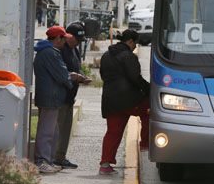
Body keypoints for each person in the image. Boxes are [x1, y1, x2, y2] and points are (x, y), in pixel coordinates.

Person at [33, 26, 84, 174]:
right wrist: (74, 77)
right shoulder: (50, 53)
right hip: (50, 97)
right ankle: (41, 161)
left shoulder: (49, 52)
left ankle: (47, 160)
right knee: (46, 131)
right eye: (63, 38)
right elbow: (62, 75)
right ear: (57, 38)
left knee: (52, 131)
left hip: (52, 97)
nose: (64, 41)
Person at [99, 29, 150, 175]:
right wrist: (149, 89)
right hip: (130, 100)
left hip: (110, 100)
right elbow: (136, 78)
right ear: (130, 41)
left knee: (113, 132)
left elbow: (103, 75)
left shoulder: (106, 55)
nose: (135, 47)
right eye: (135, 43)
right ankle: (145, 145)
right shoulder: (129, 56)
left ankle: (105, 164)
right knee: (150, 111)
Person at [54, 22, 88, 170]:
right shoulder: (60, 50)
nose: (78, 43)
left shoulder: (75, 50)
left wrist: (82, 76)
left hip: (70, 96)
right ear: (68, 36)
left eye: (80, 41)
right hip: (60, 95)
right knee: (58, 129)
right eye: (76, 40)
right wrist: (74, 77)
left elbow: (77, 67)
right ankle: (54, 157)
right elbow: (60, 73)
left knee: (66, 129)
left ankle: (61, 157)